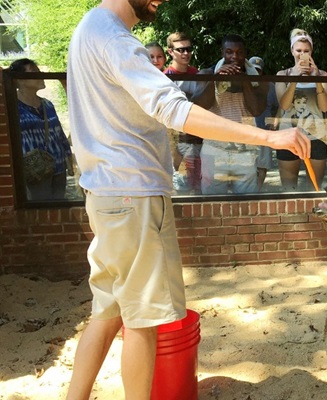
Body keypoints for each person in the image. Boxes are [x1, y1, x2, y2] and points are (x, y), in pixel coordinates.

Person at [65, 1, 309, 398]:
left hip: (106, 195)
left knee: (107, 312)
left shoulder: (87, 30)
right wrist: (268, 136)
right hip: (134, 196)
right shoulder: (114, 38)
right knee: (142, 320)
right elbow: (173, 109)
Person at [194, 34, 269, 195]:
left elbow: (256, 110)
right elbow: (199, 106)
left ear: (245, 54)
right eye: (229, 52)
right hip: (214, 149)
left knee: (246, 205)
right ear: (222, 52)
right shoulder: (207, 73)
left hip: (245, 150)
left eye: (239, 52)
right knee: (212, 205)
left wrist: (244, 81)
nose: (234, 57)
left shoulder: (256, 78)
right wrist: (216, 78)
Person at [8, 58, 74, 200]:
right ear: (20, 80)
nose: (40, 74)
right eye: (34, 71)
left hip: (58, 167)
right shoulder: (14, 107)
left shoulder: (47, 105)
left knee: (57, 210)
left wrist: (69, 157)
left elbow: (59, 133)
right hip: (34, 172)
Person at [275, 28, 327, 191]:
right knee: (289, 188)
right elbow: (284, 105)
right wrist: (294, 78)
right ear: (292, 50)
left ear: (311, 52)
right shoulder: (282, 74)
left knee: (314, 187)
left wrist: (316, 77)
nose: (302, 54)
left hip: (316, 136)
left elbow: (325, 107)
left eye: (306, 51)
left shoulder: (322, 74)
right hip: (289, 136)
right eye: (298, 50)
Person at [164, 31, 203, 194]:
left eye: (188, 49)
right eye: (181, 50)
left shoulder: (198, 74)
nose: (186, 53)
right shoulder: (165, 77)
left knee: (198, 186)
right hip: (175, 137)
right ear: (170, 52)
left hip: (198, 135)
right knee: (179, 188)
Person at [249, 56, 281, 191]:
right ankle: (248, 191)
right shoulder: (240, 84)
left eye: (259, 71)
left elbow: (282, 105)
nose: (256, 73)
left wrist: (275, 122)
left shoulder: (270, 86)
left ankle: (257, 191)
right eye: (253, 70)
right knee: (247, 166)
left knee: (262, 166)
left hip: (264, 132)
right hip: (246, 133)